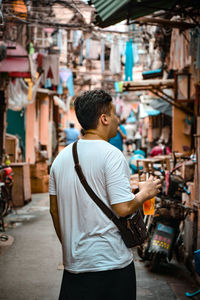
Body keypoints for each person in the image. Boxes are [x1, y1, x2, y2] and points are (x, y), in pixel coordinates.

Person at [49, 89, 161, 300]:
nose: (118, 119)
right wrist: (145, 192)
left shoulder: (60, 159)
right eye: (114, 113)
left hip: (74, 266)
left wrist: (72, 246)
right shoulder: (112, 155)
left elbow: (54, 211)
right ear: (104, 118)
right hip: (110, 265)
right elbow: (123, 208)